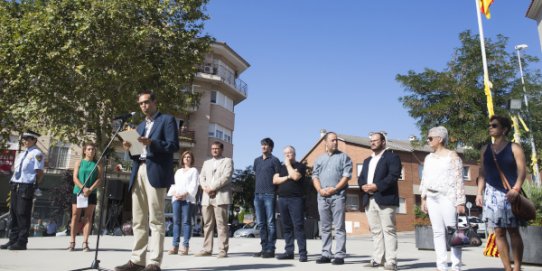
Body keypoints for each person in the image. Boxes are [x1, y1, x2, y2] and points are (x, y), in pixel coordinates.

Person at [115, 90, 180, 271]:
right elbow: (137, 152)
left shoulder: (167, 120)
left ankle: (154, 262)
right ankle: (137, 260)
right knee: (138, 219)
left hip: (156, 171)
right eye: (140, 104)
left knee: (156, 219)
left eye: (146, 102)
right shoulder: (140, 125)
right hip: (138, 171)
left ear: (154, 102)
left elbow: (173, 146)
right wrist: (129, 148)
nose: (143, 106)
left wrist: (152, 142)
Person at [476, 115, 526, 271]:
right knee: (498, 232)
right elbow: (482, 172)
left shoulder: (514, 147)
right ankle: (507, 268)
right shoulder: (485, 149)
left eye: (495, 125)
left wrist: (516, 189)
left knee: (513, 231)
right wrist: (479, 193)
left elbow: (522, 171)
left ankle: (517, 267)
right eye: (490, 125)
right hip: (491, 193)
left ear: (504, 129)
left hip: (510, 193)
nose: (490, 127)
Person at [420, 126, 466, 271]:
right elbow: (424, 179)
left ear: (440, 139)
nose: (428, 140)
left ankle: (456, 266)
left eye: (430, 138)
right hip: (432, 197)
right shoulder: (428, 158)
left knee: (453, 232)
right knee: (437, 232)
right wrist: (423, 198)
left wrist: (460, 201)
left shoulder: (452, 156)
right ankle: (441, 266)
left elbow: (459, 179)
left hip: (447, 197)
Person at [358, 132, 401, 270]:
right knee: (376, 231)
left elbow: (393, 176)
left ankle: (391, 261)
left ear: (383, 142)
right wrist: (362, 185)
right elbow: (361, 178)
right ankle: (378, 259)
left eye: (375, 140)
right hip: (369, 199)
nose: (373, 143)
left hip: (385, 199)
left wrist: (377, 186)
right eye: (371, 141)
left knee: (388, 230)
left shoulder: (392, 157)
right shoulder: (367, 161)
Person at [312, 132, 352, 265]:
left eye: (336, 140)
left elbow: (346, 177)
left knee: (339, 227)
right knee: (325, 227)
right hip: (322, 197)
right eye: (332, 140)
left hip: (337, 196)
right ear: (326, 142)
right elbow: (315, 176)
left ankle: (339, 255)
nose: (335, 142)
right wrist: (320, 190)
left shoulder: (344, 157)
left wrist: (335, 188)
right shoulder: (319, 159)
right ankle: (326, 254)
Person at [0, 130, 44, 251]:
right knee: (13, 213)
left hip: (26, 185)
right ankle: (13, 239)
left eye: (28, 139)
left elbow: (39, 172)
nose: (24, 141)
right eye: (23, 139)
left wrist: (35, 185)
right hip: (15, 185)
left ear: (34, 140)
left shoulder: (37, 154)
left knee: (22, 214)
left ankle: (21, 241)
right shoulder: (21, 154)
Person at [195, 141, 233, 258]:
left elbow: (226, 177)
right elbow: (201, 177)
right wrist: (205, 188)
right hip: (207, 197)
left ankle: (222, 250)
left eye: (216, 148)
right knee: (207, 224)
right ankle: (207, 249)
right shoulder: (206, 163)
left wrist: (213, 187)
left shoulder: (227, 161)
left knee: (221, 225)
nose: (214, 150)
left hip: (220, 196)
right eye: (212, 149)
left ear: (221, 150)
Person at [273, 146, 308, 262]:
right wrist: (288, 176)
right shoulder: (280, 167)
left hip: (296, 199)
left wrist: (288, 166)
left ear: (294, 153)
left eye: (290, 152)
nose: (288, 155)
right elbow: (275, 180)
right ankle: (289, 252)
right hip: (282, 199)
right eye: (285, 153)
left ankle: (303, 253)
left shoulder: (300, 166)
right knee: (286, 227)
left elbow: (296, 177)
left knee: (298, 226)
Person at [68, 143, 103, 252]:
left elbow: (99, 179)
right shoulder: (79, 162)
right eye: (89, 149)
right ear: (84, 151)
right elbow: (75, 178)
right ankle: (72, 242)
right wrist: (83, 189)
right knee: (75, 216)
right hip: (78, 192)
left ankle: (85, 242)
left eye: (93, 149)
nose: (91, 151)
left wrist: (90, 189)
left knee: (88, 217)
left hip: (91, 193)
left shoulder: (97, 165)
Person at [252, 138, 281, 258]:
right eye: (262, 145)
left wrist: (276, 193)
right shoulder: (256, 161)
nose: (263, 147)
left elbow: (278, 178)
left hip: (270, 194)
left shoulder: (275, 160)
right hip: (257, 195)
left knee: (270, 223)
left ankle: (271, 248)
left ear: (271, 148)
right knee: (261, 223)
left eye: (266, 145)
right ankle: (264, 248)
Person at [167, 150, 199, 255]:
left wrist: (185, 194)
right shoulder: (178, 171)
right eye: (185, 157)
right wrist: (175, 193)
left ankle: (185, 246)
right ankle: (175, 246)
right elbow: (173, 184)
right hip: (176, 199)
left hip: (187, 199)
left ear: (192, 159)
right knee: (176, 222)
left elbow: (194, 185)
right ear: (182, 159)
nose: (187, 158)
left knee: (186, 222)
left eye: (189, 157)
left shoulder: (194, 170)